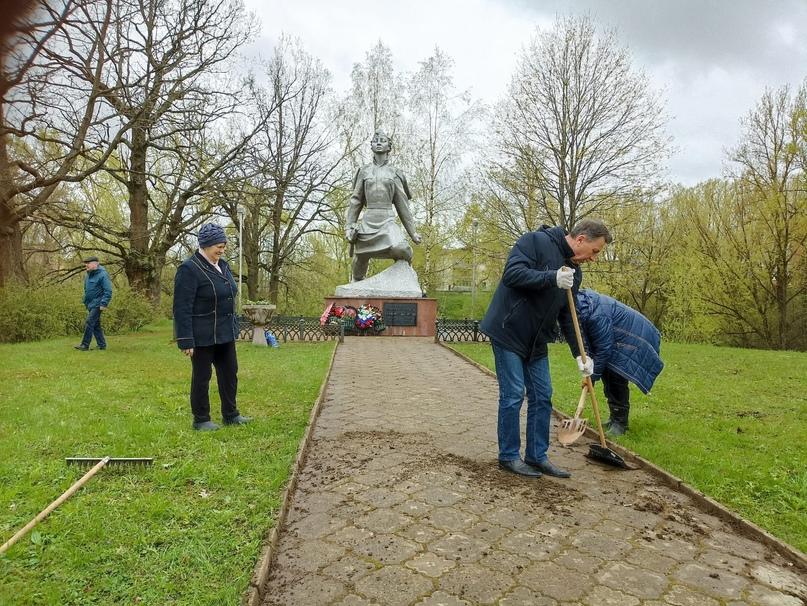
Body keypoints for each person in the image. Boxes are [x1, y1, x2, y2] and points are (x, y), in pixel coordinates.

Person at [480, 219, 612, 478]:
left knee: (543, 395)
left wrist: (580, 354)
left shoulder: (575, 272)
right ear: (581, 239)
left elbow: (568, 317)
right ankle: (508, 456)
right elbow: (513, 274)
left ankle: (537, 456)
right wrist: (551, 277)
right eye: (595, 251)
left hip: (536, 341)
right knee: (514, 393)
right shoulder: (535, 242)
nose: (594, 258)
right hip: (509, 331)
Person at [173, 223, 250, 431]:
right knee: (202, 377)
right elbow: (182, 307)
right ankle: (201, 419)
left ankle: (231, 414)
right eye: (218, 245)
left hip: (225, 333)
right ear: (205, 245)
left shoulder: (223, 266)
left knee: (229, 373)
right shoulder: (189, 269)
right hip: (202, 335)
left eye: (224, 245)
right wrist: (185, 340)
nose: (222, 249)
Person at [575, 288, 664, 436]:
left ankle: (621, 423)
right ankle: (614, 417)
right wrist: (590, 369)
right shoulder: (582, 309)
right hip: (617, 337)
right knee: (607, 374)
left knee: (616, 376)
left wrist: (592, 376)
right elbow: (589, 342)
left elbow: (603, 349)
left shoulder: (596, 314)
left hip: (634, 338)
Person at [345, 130, 421, 281]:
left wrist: (413, 233)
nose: (378, 142)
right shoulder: (363, 171)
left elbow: (402, 206)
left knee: (400, 248)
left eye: (382, 140)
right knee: (360, 256)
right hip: (368, 221)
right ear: (371, 145)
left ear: (389, 146)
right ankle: (356, 285)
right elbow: (356, 201)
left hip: (387, 220)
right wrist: (349, 227)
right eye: (375, 140)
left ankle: (407, 267)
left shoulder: (395, 173)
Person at [74, 256, 113, 351]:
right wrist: (85, 300)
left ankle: (84, 345)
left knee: (89, 322)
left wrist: (103, 303)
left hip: (98, 304)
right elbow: (86, 289)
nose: (86, 265)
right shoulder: (88, 275)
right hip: (90, 304)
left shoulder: (103, 275)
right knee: (95, 325)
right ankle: (102, 345)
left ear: (96, 263)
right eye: (85, 263)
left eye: (88, 263)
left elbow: (108, 290)